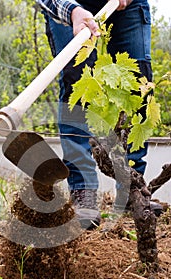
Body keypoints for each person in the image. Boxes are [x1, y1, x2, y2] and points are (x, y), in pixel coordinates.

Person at [38, 0, 159, 229]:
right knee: (77, 78)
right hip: (69, 5)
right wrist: (72, 11)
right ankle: (83, 193)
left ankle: (133, 191)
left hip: (128, 8)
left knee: (137, 83)